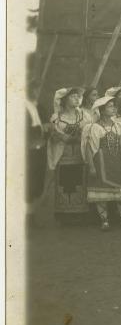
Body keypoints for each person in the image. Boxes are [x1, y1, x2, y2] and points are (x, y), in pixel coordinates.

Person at [81, 96, 121, 231]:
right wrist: (91, 166)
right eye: (110, 106)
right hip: (101, 163)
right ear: (102, 111)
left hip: (116, 163)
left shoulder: (119, 126)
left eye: (114, 106)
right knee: (101, 194)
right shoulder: (95, 128)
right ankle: (105, 221)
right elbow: (90, 149)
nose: (114, 108)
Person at [47, 87, 93, 223]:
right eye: (72, 96)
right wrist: (62, 137)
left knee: (80, 182)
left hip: (80, 155)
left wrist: (81, 135)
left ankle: (80, 213)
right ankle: (64, 214)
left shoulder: (85, 116)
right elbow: (53, 135)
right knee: (65, 183)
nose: (76, 98)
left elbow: (90, 132)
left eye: (77, 96)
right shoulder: (57, 118)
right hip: (64, 156)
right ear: (64, 100)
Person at [26, 83, 51, 228]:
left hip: (38, 146)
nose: (35, 92)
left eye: (36, 89)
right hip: (26, 148)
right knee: (28, 181)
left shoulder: (37, 105)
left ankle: (30, 213)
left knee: (37, 179)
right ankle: (27, 215)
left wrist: (46, 128)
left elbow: (44, 121)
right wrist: (42, 128)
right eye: (32, 89)